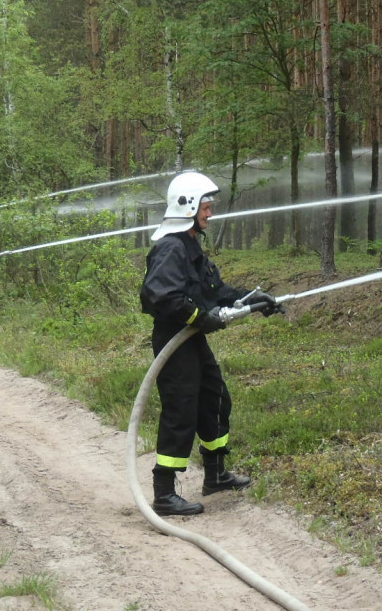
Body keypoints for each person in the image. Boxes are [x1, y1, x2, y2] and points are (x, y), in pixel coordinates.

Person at [139, 171, 280, 516]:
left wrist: (251, 298)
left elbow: (213, 292)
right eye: (206, 206)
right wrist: (202, 318)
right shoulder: (170, 248)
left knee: (214, 397)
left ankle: (215, 475)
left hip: (192, 339)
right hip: (174, 340)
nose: (211, 213)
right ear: (187, 206)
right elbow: (158, 297)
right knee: (180, 409)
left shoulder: (190, 245)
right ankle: (164, 493)